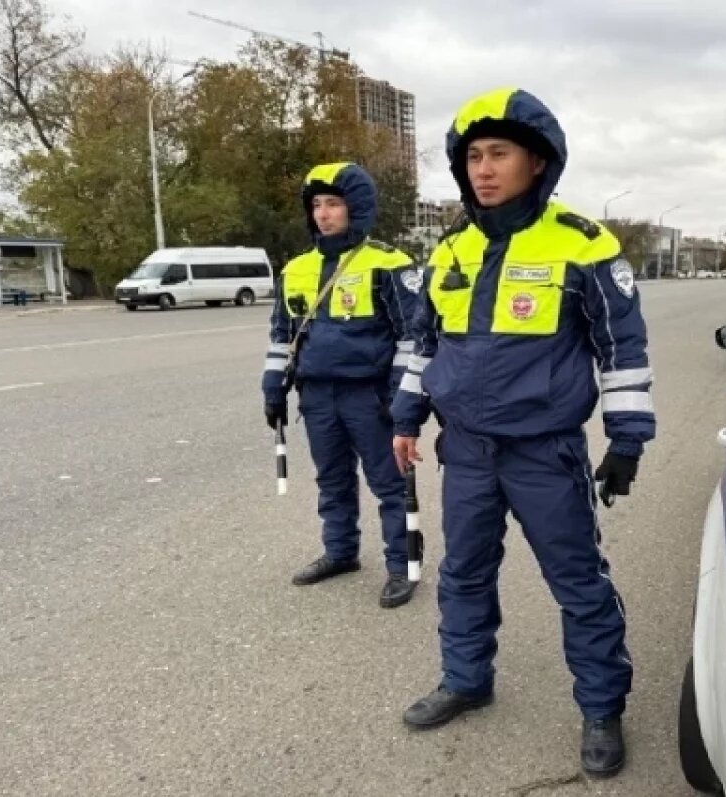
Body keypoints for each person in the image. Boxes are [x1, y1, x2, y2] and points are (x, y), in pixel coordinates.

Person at [390, 88, 655, 778]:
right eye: (473, 156)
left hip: (545, 451)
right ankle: (466, 678)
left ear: (537, 161)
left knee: (577, 582)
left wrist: (626, 439)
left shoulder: (581, 243)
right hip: (468, 448)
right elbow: (423, 342)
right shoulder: (451, 249)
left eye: (498, 153)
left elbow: (621, 347)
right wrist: (404, 415)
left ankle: (601, 706)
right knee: (463, 572)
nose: (483, 168)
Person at [262, 162, 423, 609]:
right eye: (316, 205)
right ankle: (340, 552)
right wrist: (273, 386)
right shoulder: (296, 268)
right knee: (332, 479)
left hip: (369, 394)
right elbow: (281, 334)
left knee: (389, 483)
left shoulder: (389, 264)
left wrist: (402, 396)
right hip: (316, 394)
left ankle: (403, 564)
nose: (323, 214)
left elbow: (413, 336)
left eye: (333, 203)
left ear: (357, 207)